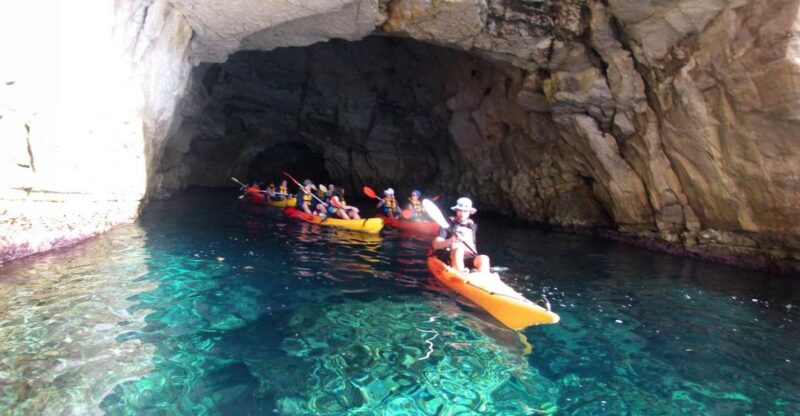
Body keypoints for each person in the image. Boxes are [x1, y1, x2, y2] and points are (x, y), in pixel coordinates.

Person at [430, 197, 490, 273]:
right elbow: (435, 245)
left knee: (484, 258)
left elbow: (473, 245)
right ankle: (461, 274)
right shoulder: (448, 224)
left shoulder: (472, 226)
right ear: (456, 211)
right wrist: (451, 240)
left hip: (467, 257)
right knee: (459, 250)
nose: (462, 214)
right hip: (450, 255)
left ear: (469, 212)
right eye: (460, 210)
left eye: (465, 211)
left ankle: (483, 279)